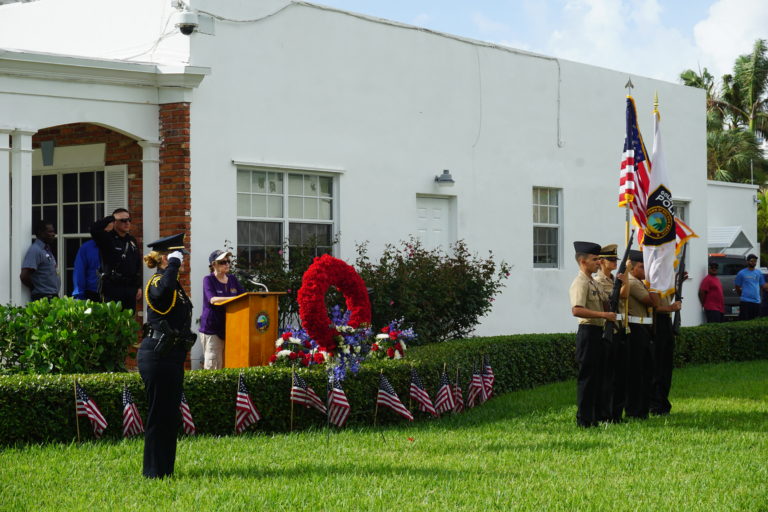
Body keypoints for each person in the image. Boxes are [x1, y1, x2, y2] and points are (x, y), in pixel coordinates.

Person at [138, 233, 196, 479]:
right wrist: (172, 265)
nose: (182, 262)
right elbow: (162, 294)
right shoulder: (157, 282)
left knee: (169, 416)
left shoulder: (172, 284)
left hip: (171, 355)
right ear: (164, 258)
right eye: (178, 257)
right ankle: (154, 472)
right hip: (157, 355)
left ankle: (165, 470)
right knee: (159, 415)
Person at [569, 241, 625, 428]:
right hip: (588, 332)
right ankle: (584, 420)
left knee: (598, 378)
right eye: (594, 259)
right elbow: (577, 310)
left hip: (599, 332)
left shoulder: (593, 282)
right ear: (583, 261)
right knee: (587, 379)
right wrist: (604, 315)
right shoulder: (580, 282)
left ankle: (594, 418)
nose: (598, 262)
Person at [625, 250, 681, 419]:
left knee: (659, 367)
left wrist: (675, 282)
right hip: (646, 325)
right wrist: (669, 306)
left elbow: (667, 296)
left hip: (653, 324)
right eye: (643, 267)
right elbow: (653, 303)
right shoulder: (639, 283)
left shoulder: (647, 282)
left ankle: (656, 404)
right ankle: (650, 405)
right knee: (648, 369)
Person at [594, 244, 628, 423]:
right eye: (611, 259)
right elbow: (620, 296)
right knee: (607, 376)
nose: (615, 262)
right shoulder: (598, 281)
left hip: (619, 329)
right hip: (609, 331)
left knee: (620, 375)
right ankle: (605, 414)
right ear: (601, 262)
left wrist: (625, 280)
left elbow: (624, 296)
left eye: (616, 259)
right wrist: (625, 282)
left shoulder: (615, 279)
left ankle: (616, 414)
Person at [90, 208, 142, 313]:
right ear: (115, 222)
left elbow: (137, 264)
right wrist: (110, 218)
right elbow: (94, 229)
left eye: (129, 220)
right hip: (112, 287)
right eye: (123, 220)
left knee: (129, 320)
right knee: (112, 319)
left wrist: (138, 286)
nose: (127, 223)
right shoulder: (107, 238)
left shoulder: (131, 240)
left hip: (130, 288)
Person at [199, 250, 245, 370]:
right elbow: (213, 299)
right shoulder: (208, 280)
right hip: (212, 328)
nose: (227, 264)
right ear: (214, 264)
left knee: (229, 364)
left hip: (230, 327)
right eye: (223, 262)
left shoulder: (232, 279)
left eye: (228, 261)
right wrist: (234, 298)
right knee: (214, 366)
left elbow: (244, 297)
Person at [72, 220, 113, 301]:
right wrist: (79, 295)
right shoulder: (86, 248)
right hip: (92, 293)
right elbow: (79, 272)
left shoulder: (114, 246)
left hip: (112, 292)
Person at [20, 219, 60, 301]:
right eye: (50, 232)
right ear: (40, 232)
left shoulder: (46, 249)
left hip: (52, 296)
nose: (53, 234)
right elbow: (24, 276)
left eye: (53, 231)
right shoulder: (35, 250)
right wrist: (36, 288)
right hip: (43, 297)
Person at [734, 253, 767, 321]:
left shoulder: (759, 273)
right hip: (745, 302)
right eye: (751, 261)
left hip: (756, 302)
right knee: (744, 321)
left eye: (755, 261)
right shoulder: (741, 273)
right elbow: (737, 287)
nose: (753, 262)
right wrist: (742, 295)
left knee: (755, 322)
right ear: (747, 261)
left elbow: (763, 285)